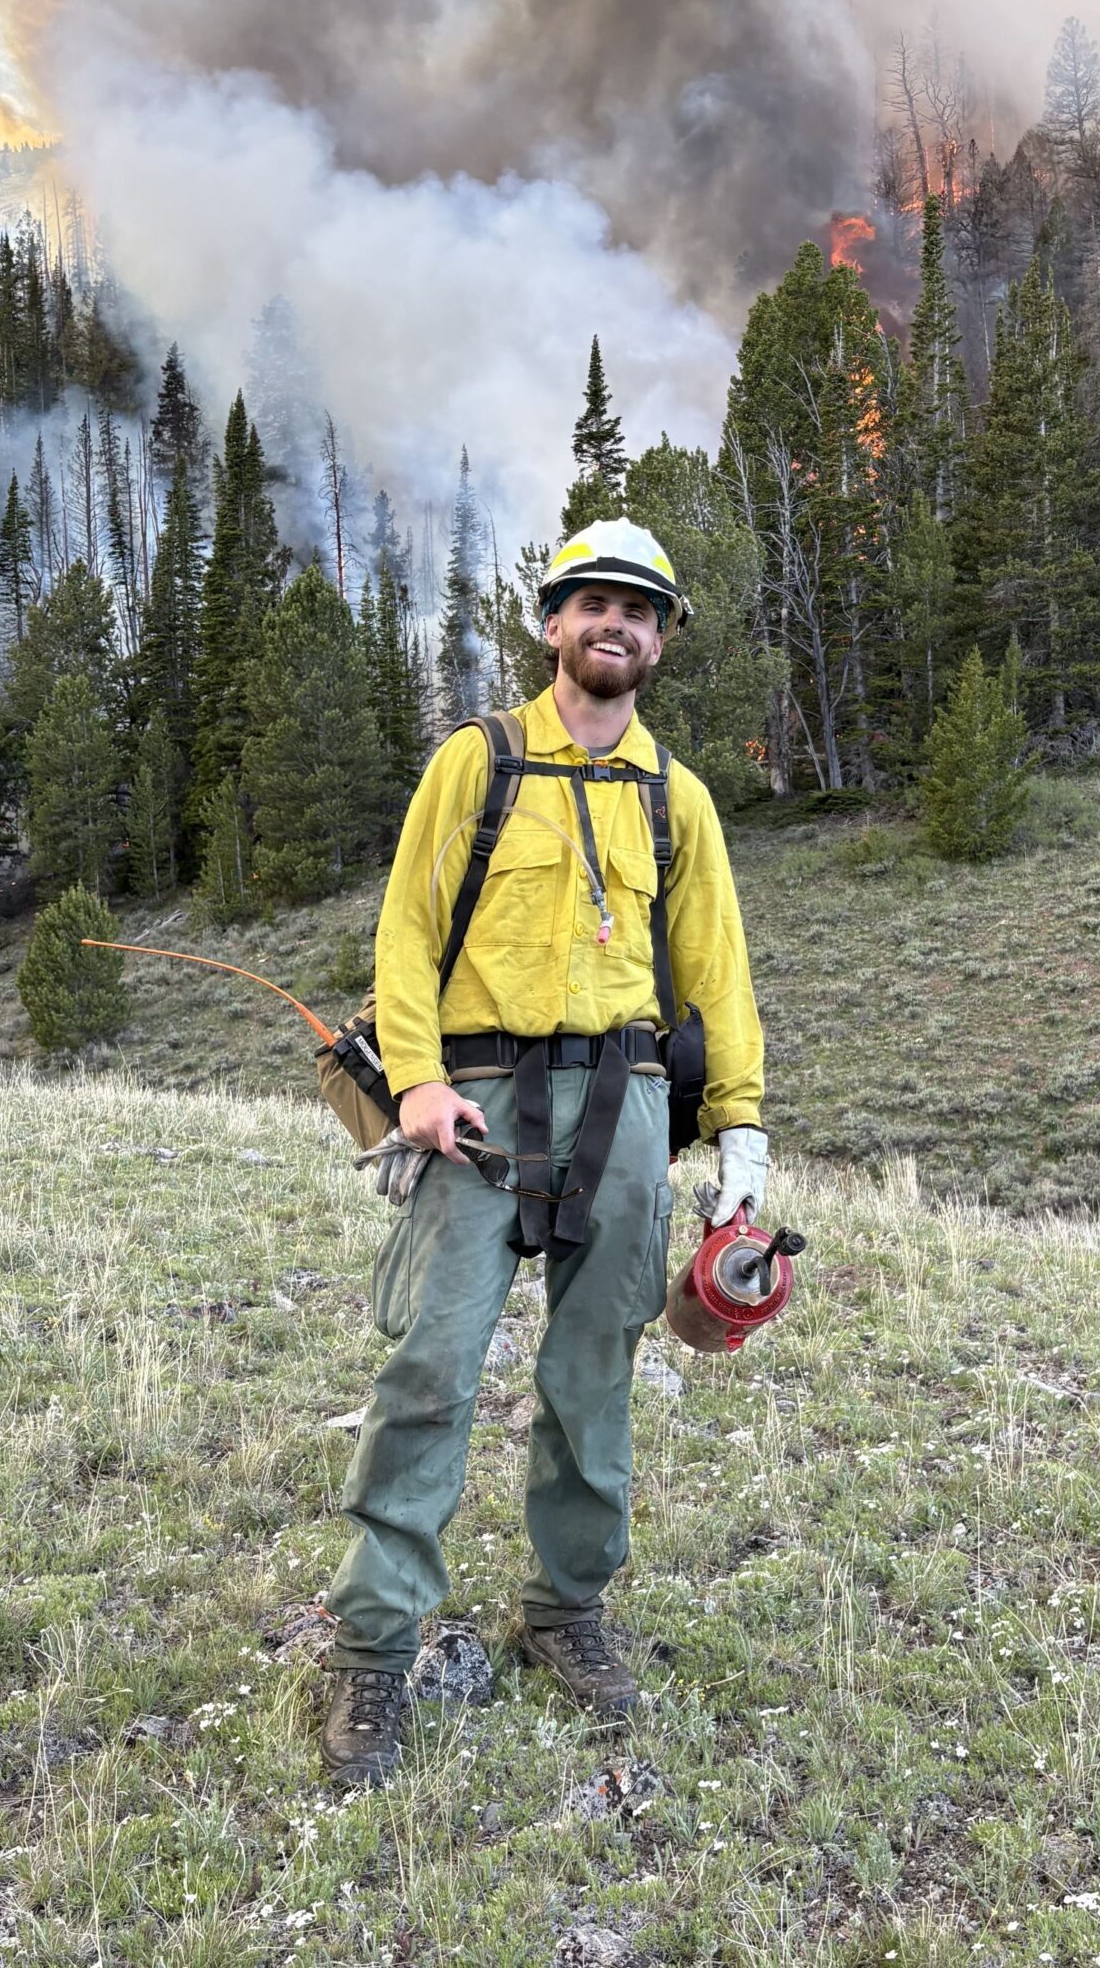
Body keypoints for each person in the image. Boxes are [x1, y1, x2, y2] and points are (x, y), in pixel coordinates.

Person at [319, 517, 766, 1785]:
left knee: (595, 1373)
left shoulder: (679, 797)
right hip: (471, 1098)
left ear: (663, 639)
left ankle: (567, 1613)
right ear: (553, 622)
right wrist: (409, 1081)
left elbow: (720, 973)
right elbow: (407, 931)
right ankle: (370, 1651)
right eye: (594, 603)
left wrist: (739, 1121)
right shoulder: (477, 762)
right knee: (433, 1367)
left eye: (641, 609)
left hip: (625, 1103)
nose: (616, 623)